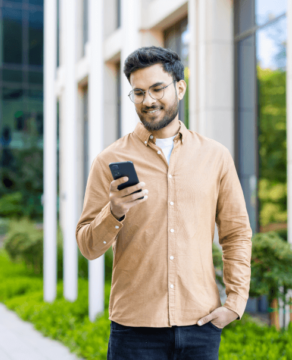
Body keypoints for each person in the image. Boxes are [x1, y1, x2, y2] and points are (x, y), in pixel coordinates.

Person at [75, 46, 252, 360]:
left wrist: (235, 303)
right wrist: (114, 210)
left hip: (201, 326)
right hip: (134, 331)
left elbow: (236, 233)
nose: (148, 100)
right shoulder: (110, 160)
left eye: (157, 88)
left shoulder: (215, 156)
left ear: (180, 88)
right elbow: (88, 247)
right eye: (139, 92)